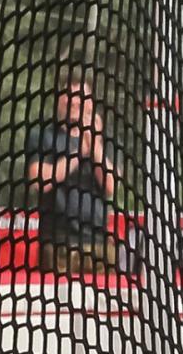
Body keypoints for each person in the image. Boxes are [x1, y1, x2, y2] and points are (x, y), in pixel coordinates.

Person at [25, 76, 117, 274]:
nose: (75, 101)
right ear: (59, 101)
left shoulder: (105, 140)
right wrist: (79, 152)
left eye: (80, 97)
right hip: (58, 244)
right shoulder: (43, 136)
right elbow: (40, 181)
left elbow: (111, 186)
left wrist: (93, 144)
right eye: (69, 96)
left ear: (90, 104)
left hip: (98, 244)